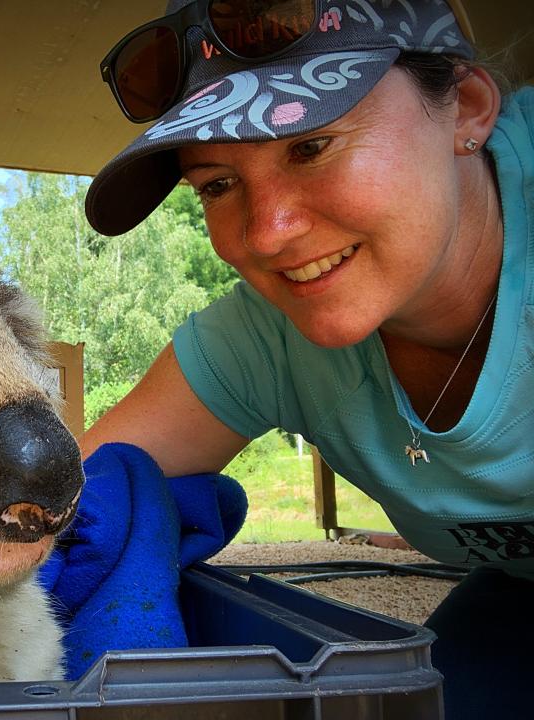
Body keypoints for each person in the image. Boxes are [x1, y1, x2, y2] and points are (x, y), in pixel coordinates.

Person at [80, 0, 533, 717]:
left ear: (469, 109)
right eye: (218, 185)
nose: (267, 234)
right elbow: (66, 504)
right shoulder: (268, 330)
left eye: (311, 145)